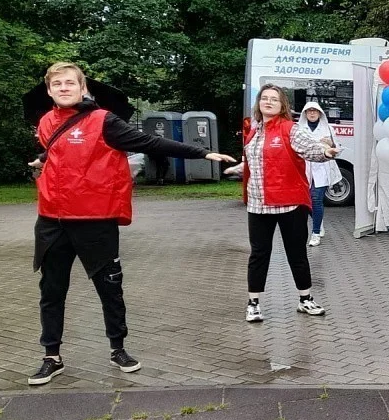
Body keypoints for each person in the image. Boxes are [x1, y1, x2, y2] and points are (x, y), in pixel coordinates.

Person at [28, 62, 237, 386]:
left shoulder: (104, 121)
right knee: (52, 291)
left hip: (94, 219)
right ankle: (51, 357)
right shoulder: (45, 122)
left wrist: (201, 152)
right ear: (50, 90)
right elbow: (55, 149)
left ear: (83, 88)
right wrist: (42, 160)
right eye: (58, 84)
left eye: (70, 83)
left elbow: (149, 143)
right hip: (52, 219)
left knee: (109, 288)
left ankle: (118, 349)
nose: (64, 88)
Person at [235, 85, 340, 323]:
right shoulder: (253, 132)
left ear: (282, 105)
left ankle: (306, 299)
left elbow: (311, 148)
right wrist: (239, 168)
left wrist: (326, 152)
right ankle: (253, 304)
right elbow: (255, 161)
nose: (268, 102)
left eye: (274, 99)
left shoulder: (289, 129)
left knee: (297, 253)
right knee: (259, 254)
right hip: (259, 203)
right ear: (259, 103)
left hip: (289, 203)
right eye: (265, 98)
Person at [297, 102, 342, 246]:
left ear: (320, 113)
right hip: (304, 169)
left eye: (314, 111)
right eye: (309, 111)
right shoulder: (299, 129)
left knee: (316, 199)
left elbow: (337, 149)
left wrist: (331, 144)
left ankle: (315, 233)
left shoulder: (328, 128)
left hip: (322, 168)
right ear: (305, 113)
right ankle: (319, 222)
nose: (312, 113)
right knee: (306, 202)